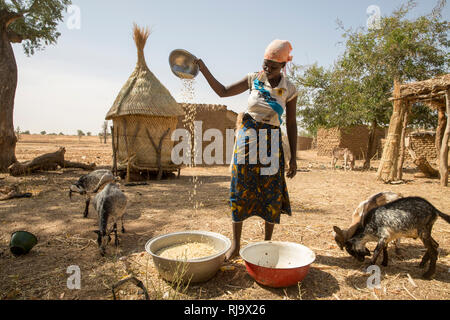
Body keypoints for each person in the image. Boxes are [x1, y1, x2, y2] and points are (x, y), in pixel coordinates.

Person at [196, 39, 298, 260]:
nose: (267, 69)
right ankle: (235, 246)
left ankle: (266, 244)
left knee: (271, 192)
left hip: (272, 142)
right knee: (239, 189)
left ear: (283, 66)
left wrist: (294, 158)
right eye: (265, 64)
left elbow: (291, 123)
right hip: (248, 140)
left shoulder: (289, 89)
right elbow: (222, 92)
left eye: (272, 66)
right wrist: (203, 69)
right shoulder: (254, 79)